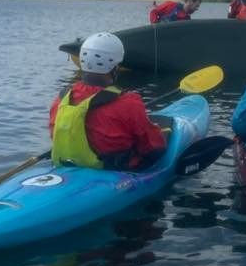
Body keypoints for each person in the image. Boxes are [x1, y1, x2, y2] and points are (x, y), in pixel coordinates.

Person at [49, 32, 168, 170]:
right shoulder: (129, 103)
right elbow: (152, 147)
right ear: (115, 67)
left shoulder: (62, 99)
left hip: (68, 164)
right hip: (114, 170)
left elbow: (54, 135)